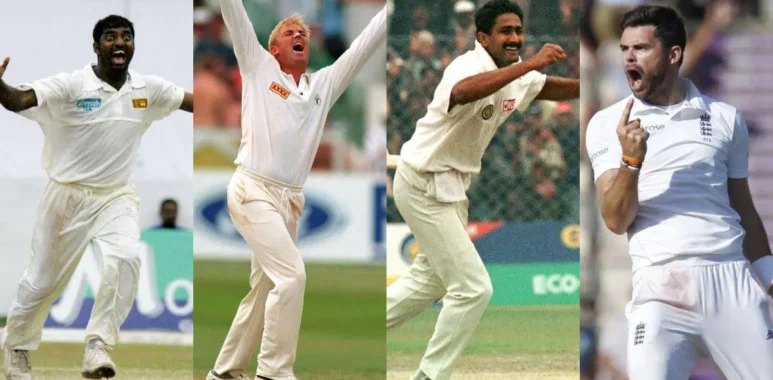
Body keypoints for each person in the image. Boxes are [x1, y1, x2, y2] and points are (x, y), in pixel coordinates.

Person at [386, 1, 579, 379]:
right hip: (424, 182)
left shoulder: (516, 72)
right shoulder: (468, 66)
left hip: (452, 188)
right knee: (474, 289)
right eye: (505, 31)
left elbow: (548, 88)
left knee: (429, 281)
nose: (515, 38)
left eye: (518, 31)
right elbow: (462, 93)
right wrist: (528, 64)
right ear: (482, 37)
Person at [585, 5, 773, 379]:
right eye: (625, 49)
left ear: (673, 55)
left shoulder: (725, 118)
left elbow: (744, 209)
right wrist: (631, 161)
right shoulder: (607, 124)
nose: (629, 57)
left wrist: (769, 278)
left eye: (640, 48)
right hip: (660, 291)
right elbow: (615, 219)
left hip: (731, 282)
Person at [0, 14, 192, 380]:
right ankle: (17, 349)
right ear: (96, 46)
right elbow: (18, 100)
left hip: (116, 195)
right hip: (66, 198)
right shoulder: (71, 85)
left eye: (126, 36)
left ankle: (98, 346)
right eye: (110, 37)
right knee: (42, 282)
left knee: (126, 257)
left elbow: (187, 100)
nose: (119, 42)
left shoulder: (147, 89)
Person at [206, 1, 385, 379]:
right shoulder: (258, 67)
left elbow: (364, 45)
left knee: (265, 289)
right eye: (289, 32)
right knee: (292, 277)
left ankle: (224, 372)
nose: (299, 35)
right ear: (273, 48)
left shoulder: (323, 84)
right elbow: (234, 13)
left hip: (291, 200)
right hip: (252, 188)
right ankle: (273, 372)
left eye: (302, 32)